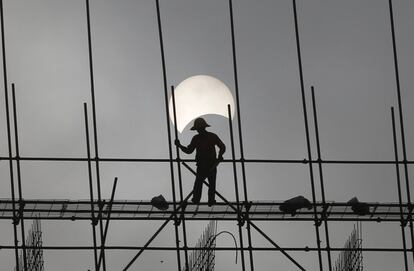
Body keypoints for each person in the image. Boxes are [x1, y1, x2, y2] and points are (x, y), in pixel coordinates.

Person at [175, 117, 226, 206]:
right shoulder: (200, 137)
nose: (198, 130)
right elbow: (189, 150)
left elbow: (222, 147)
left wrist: (220, 155)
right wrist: (179, 145)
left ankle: (206, 200)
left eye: (199, 128)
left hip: (209, 164)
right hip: (204, 164)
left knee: (204, 183)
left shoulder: (209, 136)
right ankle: (202, 199)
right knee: (202, 183)